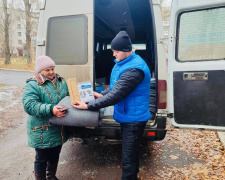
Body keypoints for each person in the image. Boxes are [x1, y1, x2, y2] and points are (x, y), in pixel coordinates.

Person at [71, 31, 151, 180]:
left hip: (133, 120)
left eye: (116, 52)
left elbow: (116, 96)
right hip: (128, 115)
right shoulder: (124, 63)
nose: (113, 55)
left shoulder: (134, 70)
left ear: (126, 50)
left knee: (128, 159)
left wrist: (88, 106)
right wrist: (102, 94)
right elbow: (115, 88)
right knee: (130, 154)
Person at [22, 56, 69, 180]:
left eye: (52, 68)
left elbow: (68, 96)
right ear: (40, 71)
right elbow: (29, 106)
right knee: (41, 158)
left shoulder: (61, 81)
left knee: (55, 153)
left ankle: (51, 176)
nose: (51, 72)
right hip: (41, 128)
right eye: (47, 70)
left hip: (58, 126)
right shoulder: (33, 85)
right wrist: (51, 109)